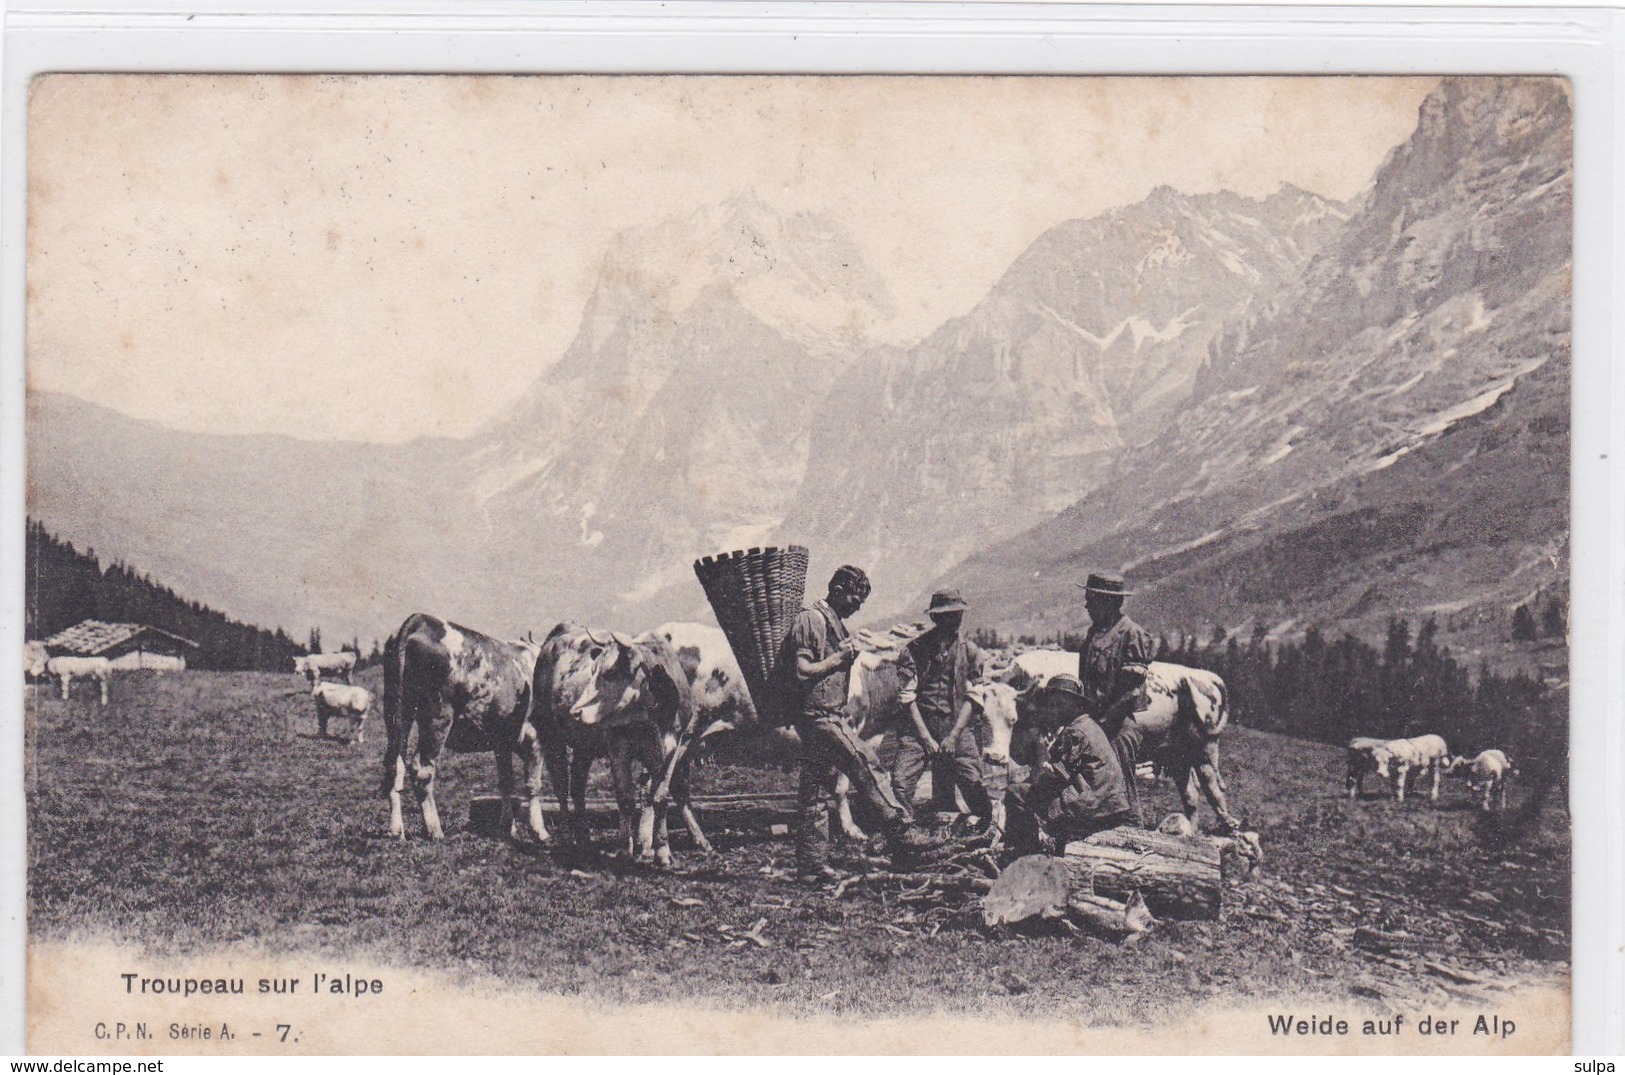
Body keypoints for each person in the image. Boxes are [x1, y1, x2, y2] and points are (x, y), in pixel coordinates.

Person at [781, 564, 922, 885]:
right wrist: (839, 659)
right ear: (838, 589)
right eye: (856, 598)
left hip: (826, 713)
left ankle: (811, 867)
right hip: (820, 716)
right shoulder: (812, 620)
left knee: (815, 793)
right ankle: (905, 837)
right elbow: (802, 670)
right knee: (866, 765)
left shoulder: (832, 623)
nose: (858, 606)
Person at [892, 589, 994, 828]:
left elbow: (974, 697)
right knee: (899, 782)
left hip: (957, 727)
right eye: (948, 615)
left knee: (974, 784)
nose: (955, 620)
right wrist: (926, 739)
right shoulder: (913, 650)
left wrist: (953, 737)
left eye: (958, 614)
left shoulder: (971, 652)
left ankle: (983, 831)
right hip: (918, 729)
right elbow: (907, 698)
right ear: (935, 618)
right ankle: (905, 834)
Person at [1002, 674, 1133, 853]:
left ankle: (1022, 850)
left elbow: (1056, 777)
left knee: (1017, 793)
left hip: (1093, 803)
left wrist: (1037, 778)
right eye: (1052, 705)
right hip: (1109, 800)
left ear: (1075, 706)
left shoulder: (1075, 732)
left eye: (1060, 704)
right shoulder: (1088, 726)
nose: (1054, 710)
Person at [1073, 572, 1157, 826]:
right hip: (1094, 722)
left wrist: (1103, 723)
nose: (1087, 605)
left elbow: (1131, 693)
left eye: (1091, 599)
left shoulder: (1132, 635)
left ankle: (1134, 834)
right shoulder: (1094, 634)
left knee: (1123, 786)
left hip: (1117, 725)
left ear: (1108, 602)